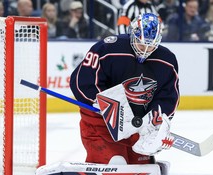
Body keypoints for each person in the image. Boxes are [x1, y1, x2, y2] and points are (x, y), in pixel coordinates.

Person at [70, 13, 179, 165]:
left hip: (136, 125)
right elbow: (83, 80)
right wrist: (100, 102)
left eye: (151, 45)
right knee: (115, 164)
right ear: (133, 34)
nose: (145, 50)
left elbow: (168, 96)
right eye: (141, 43)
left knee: (141, 169)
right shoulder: (107, 48)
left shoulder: (167, 60)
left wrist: (155, 117)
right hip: (101, 124)